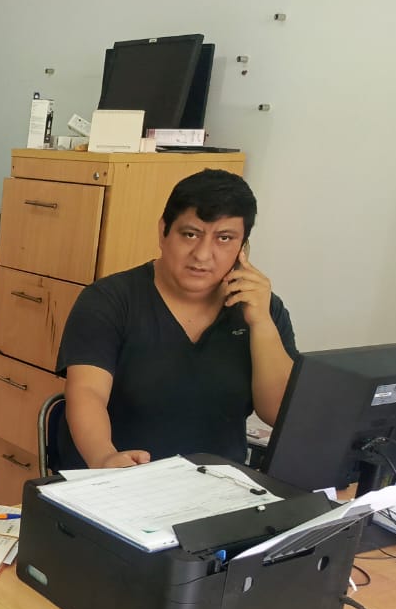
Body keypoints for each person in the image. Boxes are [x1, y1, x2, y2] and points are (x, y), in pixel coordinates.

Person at [56, 168, 298, 469]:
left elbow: (279, 414)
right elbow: (87, 392)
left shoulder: (263, 308)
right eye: (190, 234)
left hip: (217, 484)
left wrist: (261, 324)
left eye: (224, 238)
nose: (202, 254)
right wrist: (104, 457)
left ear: (242, 248)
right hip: (119, 478)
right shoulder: (109, 300)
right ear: (163, 232)